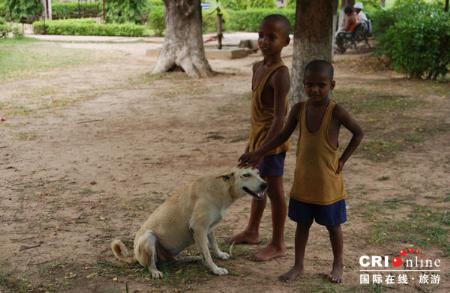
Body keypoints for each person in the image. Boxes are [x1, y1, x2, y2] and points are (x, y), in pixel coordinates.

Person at [239, 60, 364, 283]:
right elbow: (281, 136)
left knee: (333, 226)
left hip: (328, 184)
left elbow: (358, 133)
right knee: (302, 225)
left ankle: (338, 263)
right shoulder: (299, 109)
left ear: (332, 85)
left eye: (321, 85)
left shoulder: (336, 112)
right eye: (309, 84)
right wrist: (259, 152)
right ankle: (298, 265)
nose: (314, 89)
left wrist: (343, 160)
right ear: (303, 84)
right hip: (304, 183)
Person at [228, 14, 291, 262]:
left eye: (272, 37)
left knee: (274, 191)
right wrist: (252, 144)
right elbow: (259, 113)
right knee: (256, 186)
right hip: (258, 140)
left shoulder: (280, 74)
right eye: (261, 35)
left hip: (272, 144)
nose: (264, 41)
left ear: (285, 41)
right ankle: (252, 231)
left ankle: (278, 243)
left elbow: (279, 119)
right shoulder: (257, 67)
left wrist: (262, 150)